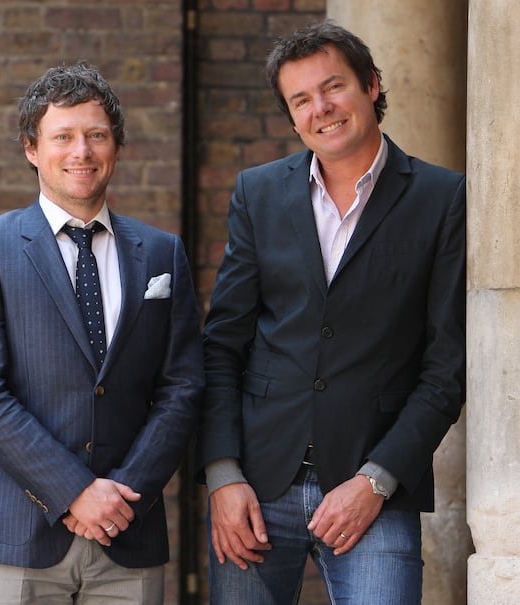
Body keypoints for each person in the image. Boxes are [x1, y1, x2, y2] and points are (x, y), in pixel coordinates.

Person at [196, 20, 466, 604]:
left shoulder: (442, 199)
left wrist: (377, 480)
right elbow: (222, 346)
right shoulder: (258, 193)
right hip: (255, 488)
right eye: (301, 99)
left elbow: (446, 367)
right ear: (292, 117)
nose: (321, 108)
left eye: (333, 87)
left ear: (370, 85)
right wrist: (222, 476)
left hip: (375, 487)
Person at [0, 62, 204, 604]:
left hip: (128, 529)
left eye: (96, 135)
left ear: (116, 147)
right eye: (62, 136)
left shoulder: (161, 253)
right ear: (31, 149)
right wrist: (74, 492)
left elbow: (182, 387)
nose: (80, 151)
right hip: (21, 532)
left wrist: (120, 500)